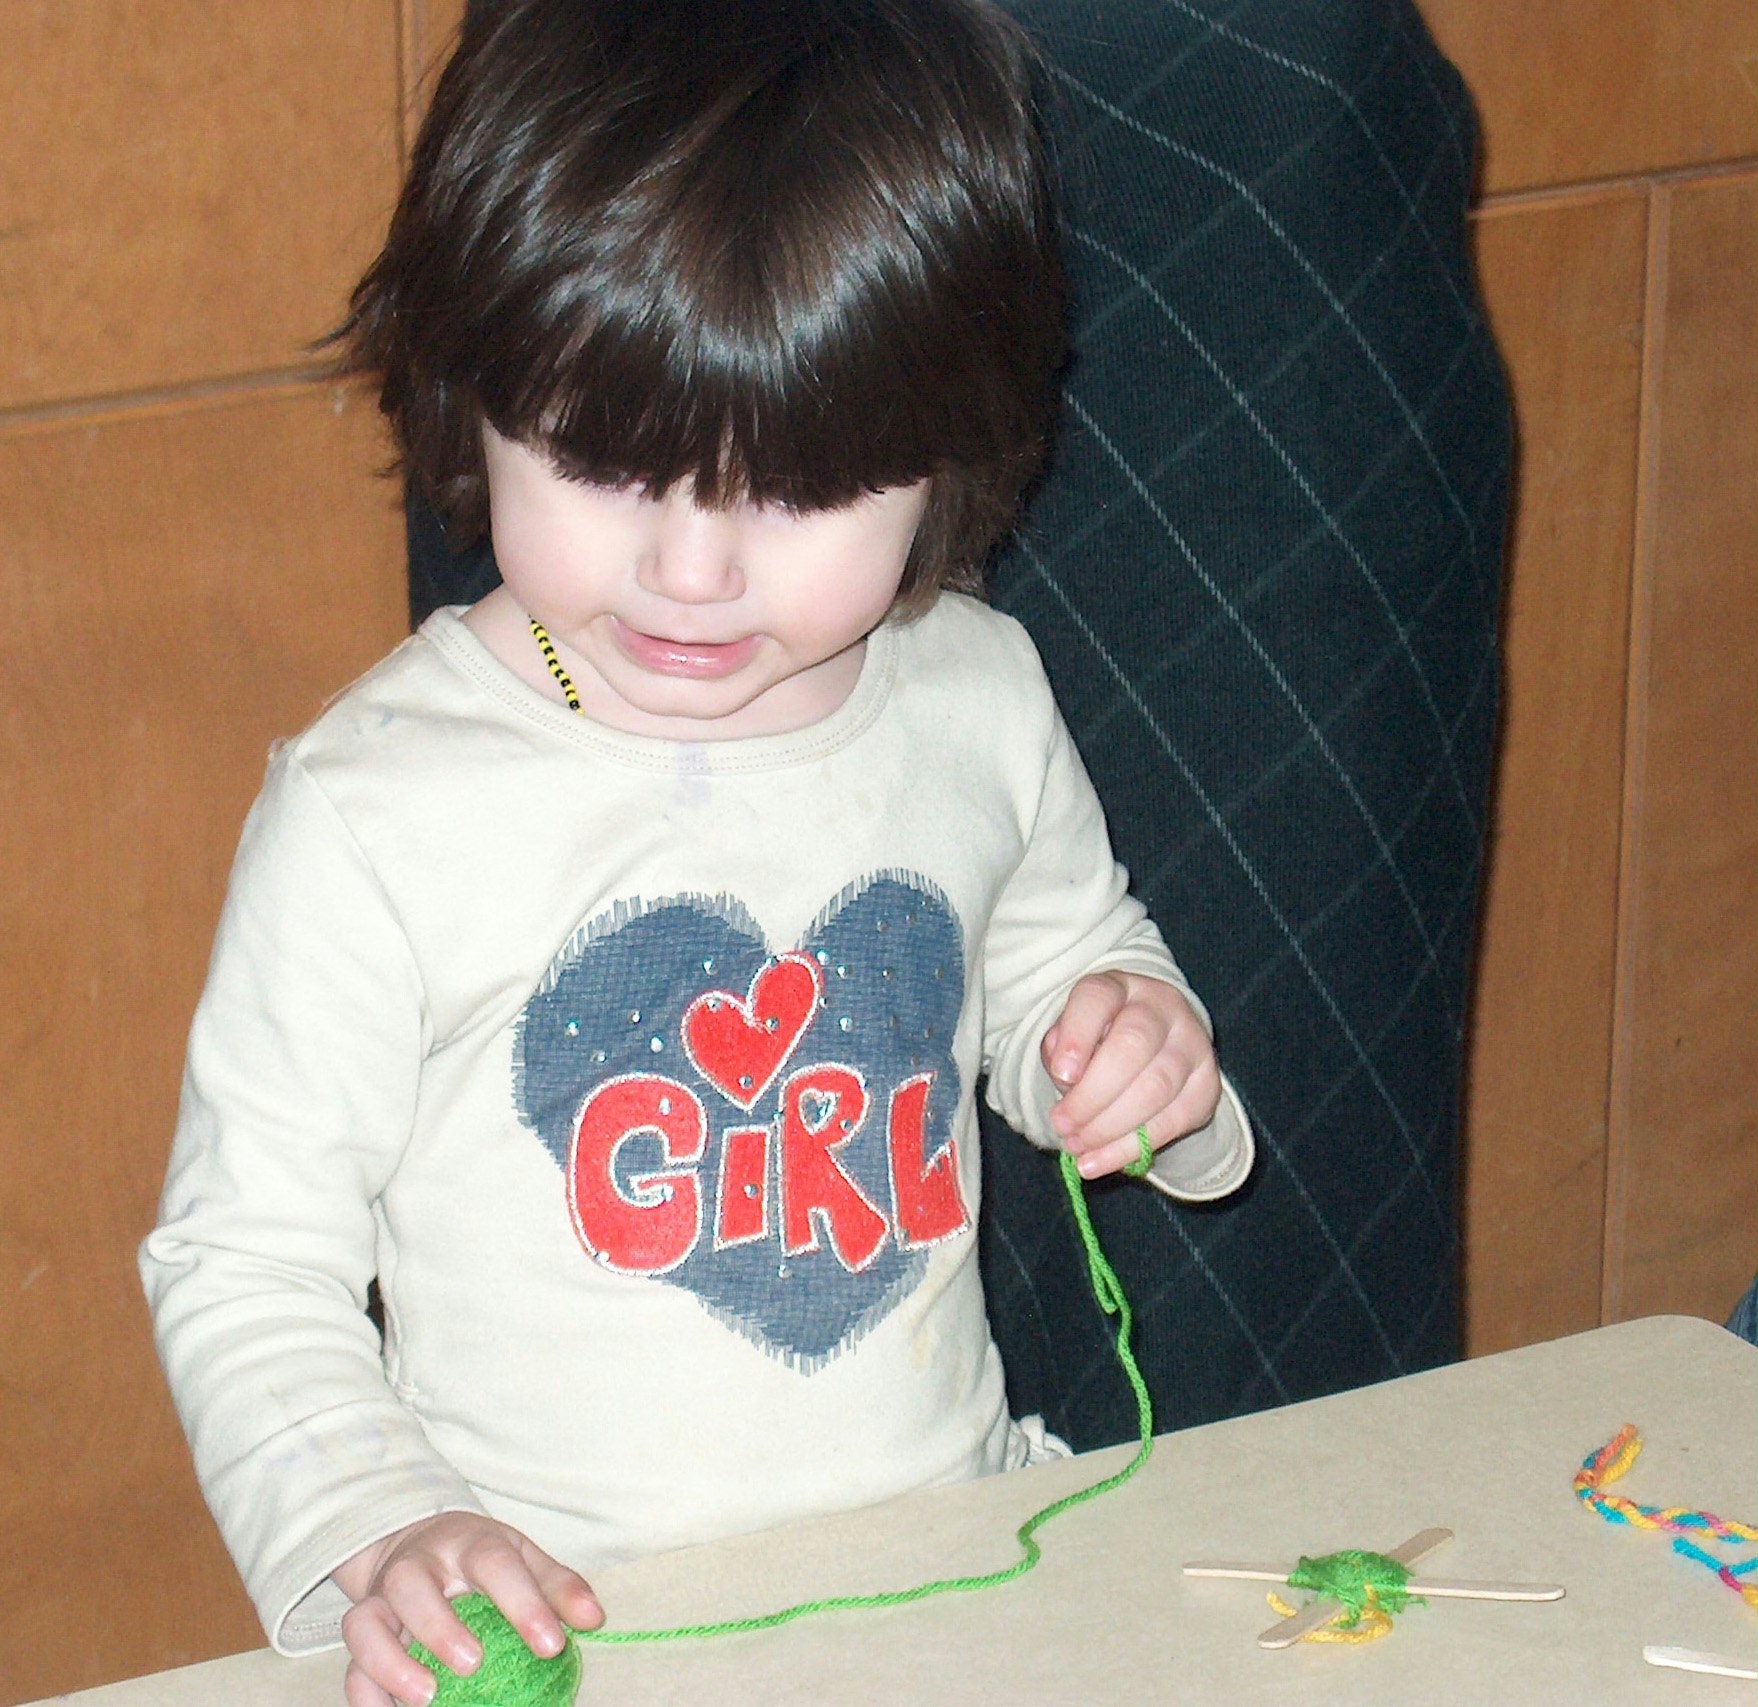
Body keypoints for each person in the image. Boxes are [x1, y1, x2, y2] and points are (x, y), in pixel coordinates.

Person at [140, 3, 1254, 1704]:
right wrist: (385, 1524)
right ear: (477, 392)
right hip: (560, 1636)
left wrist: (1122, 1037)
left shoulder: (977, 695)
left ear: (947, 443)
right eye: (599, 462)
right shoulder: (378, 810)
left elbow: (1058, 960)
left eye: (794, 489)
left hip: (952, 1583)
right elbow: (244, 1257)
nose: (689, 573)